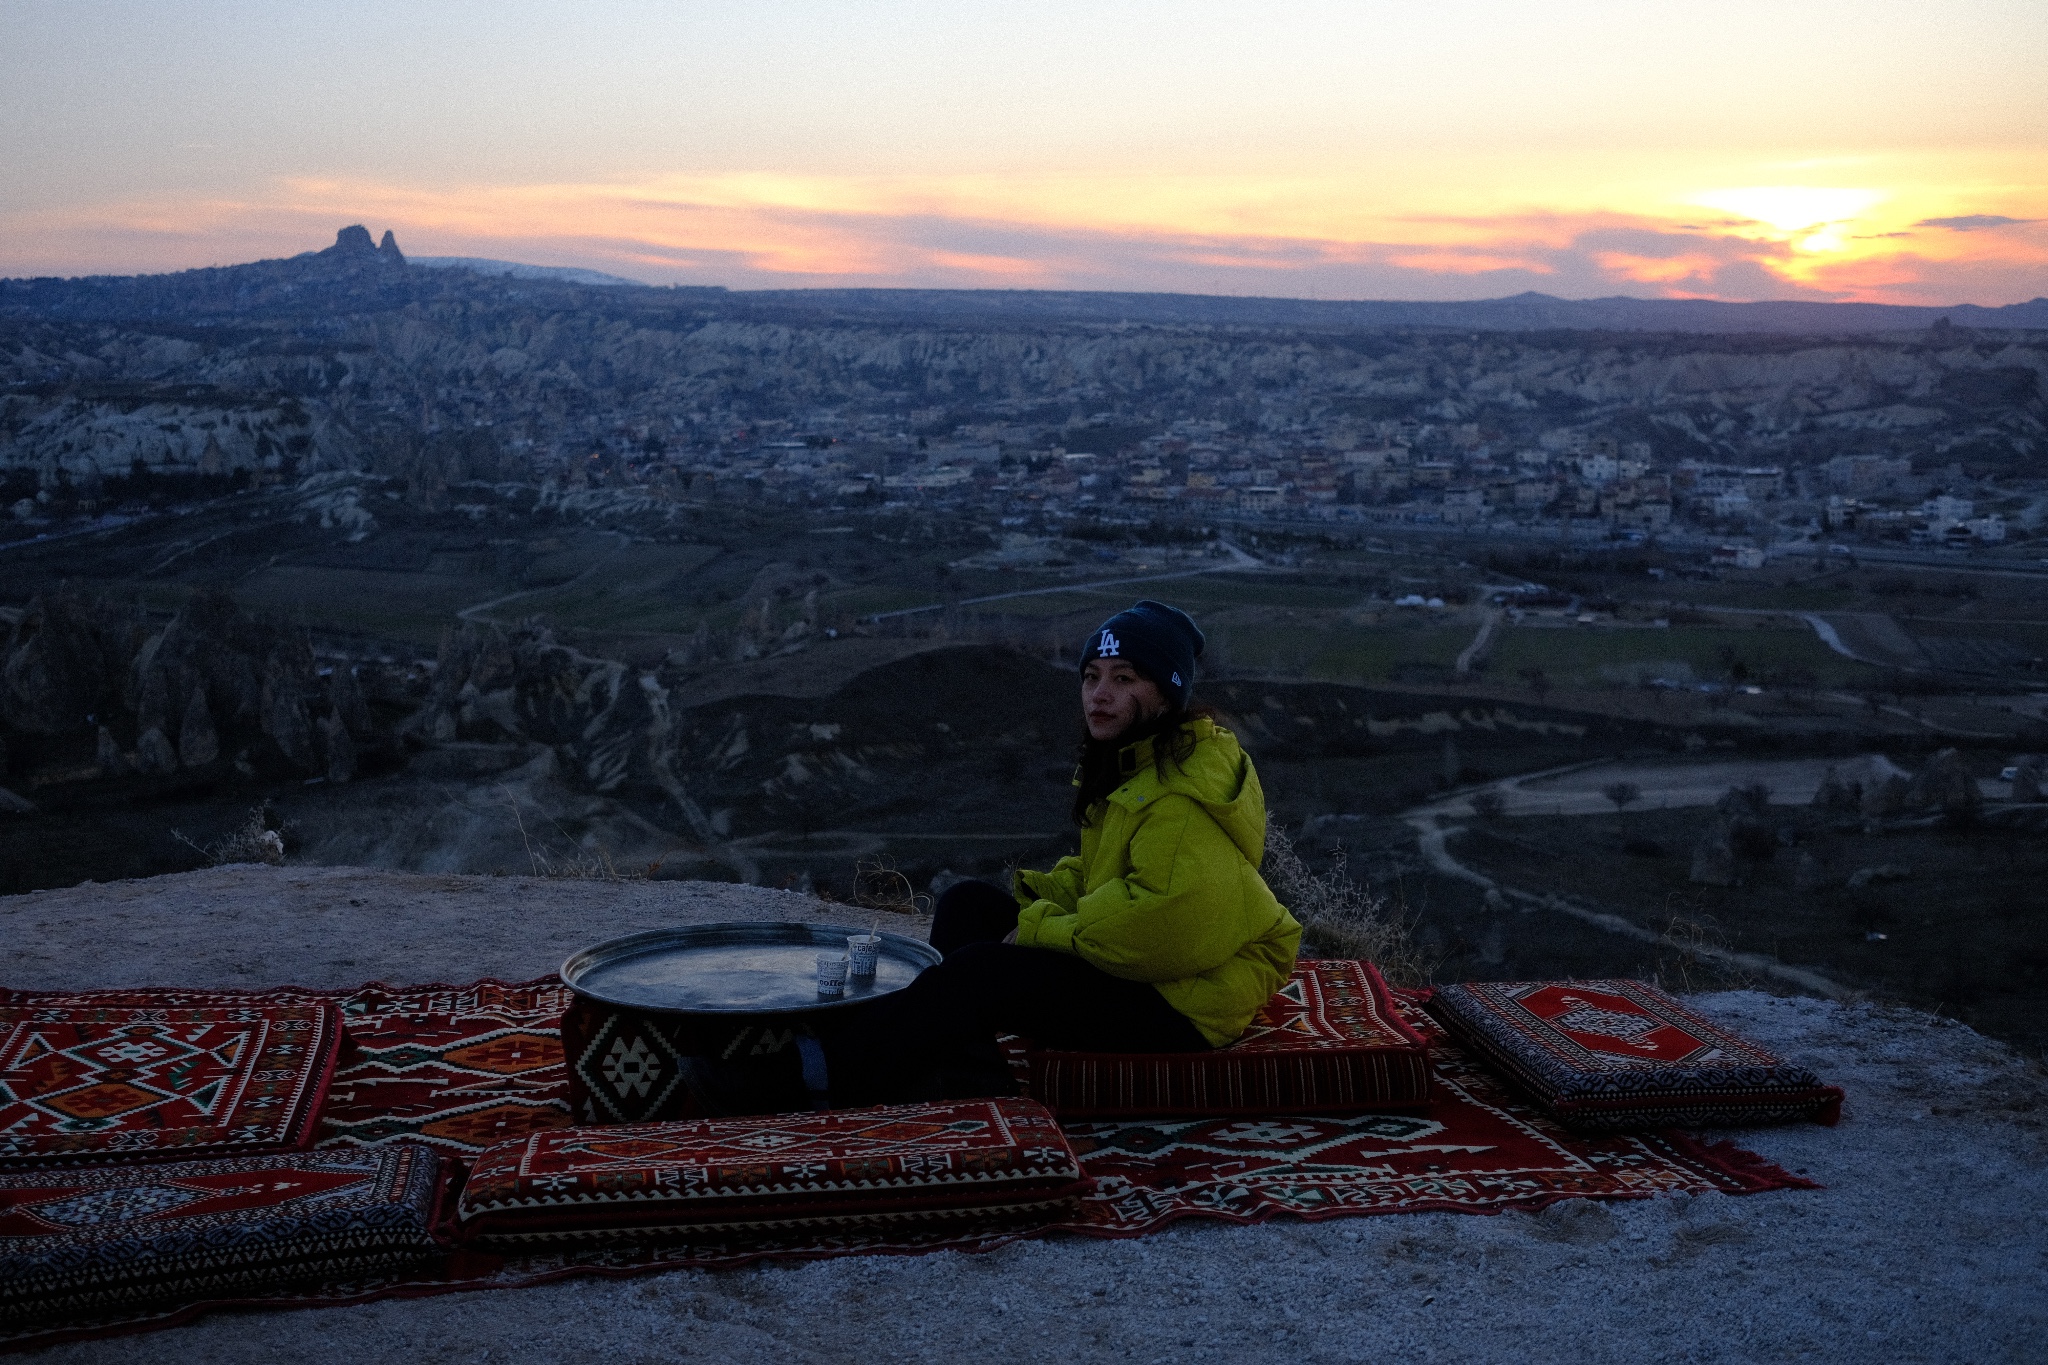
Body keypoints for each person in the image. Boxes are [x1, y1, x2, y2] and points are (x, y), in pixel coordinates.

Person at [801, 599, 1301, 1108]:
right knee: (968, 904)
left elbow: (1160, 928)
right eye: (1091, 677)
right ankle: (963, 1070)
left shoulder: (1179, 798)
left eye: (1125, 679)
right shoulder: (1139, 762)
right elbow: (1106, 876)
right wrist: (1042, 897)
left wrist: (1039, 928)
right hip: (1158, 964)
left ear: (1167, 695)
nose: (1099, 696)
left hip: (1184, 1001)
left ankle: (822, 1075)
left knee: (983, 972)